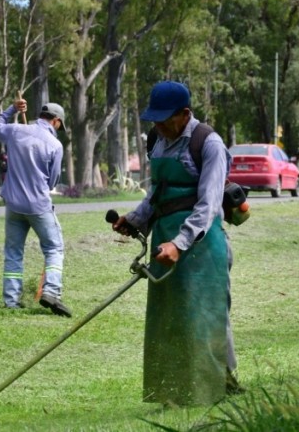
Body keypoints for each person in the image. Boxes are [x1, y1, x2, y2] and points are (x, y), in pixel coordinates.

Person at [111, 80, 240, 406]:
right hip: (164, 240)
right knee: (168, 317)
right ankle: (172, 390)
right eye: (154, 119)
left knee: (205, 315)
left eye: (164, 119)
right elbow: (158, 191)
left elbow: (208, 204)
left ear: (184, 114)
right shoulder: (158, 141)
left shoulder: (208, 143)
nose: (158, 126)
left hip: (202, 244)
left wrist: (179, 244)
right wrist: (136, 219)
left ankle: (220, 385)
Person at [0, 98, 71, 317]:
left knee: (13, 252)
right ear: (56, 121)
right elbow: (53, 181)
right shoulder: (55, 145)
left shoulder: (16, 130)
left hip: (13, 205)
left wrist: (12, 109)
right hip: (38, 206)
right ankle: (51, 291)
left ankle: (11, 301)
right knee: (54, 248)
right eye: (59, 126)